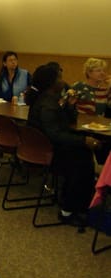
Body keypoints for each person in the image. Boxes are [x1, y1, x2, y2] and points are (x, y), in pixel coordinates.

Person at [26, 64, 101, 226]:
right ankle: (68, 210)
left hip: (50, 146)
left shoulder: (51, 100)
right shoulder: (47, 104)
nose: (63, 81)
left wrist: (69, 105)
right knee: (82, 158)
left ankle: (81, 205)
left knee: (84, 152)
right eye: (59, 78)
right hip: (49, 151)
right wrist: (83, 141)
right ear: (51, 82)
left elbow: (68, 123)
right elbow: (56, 134)